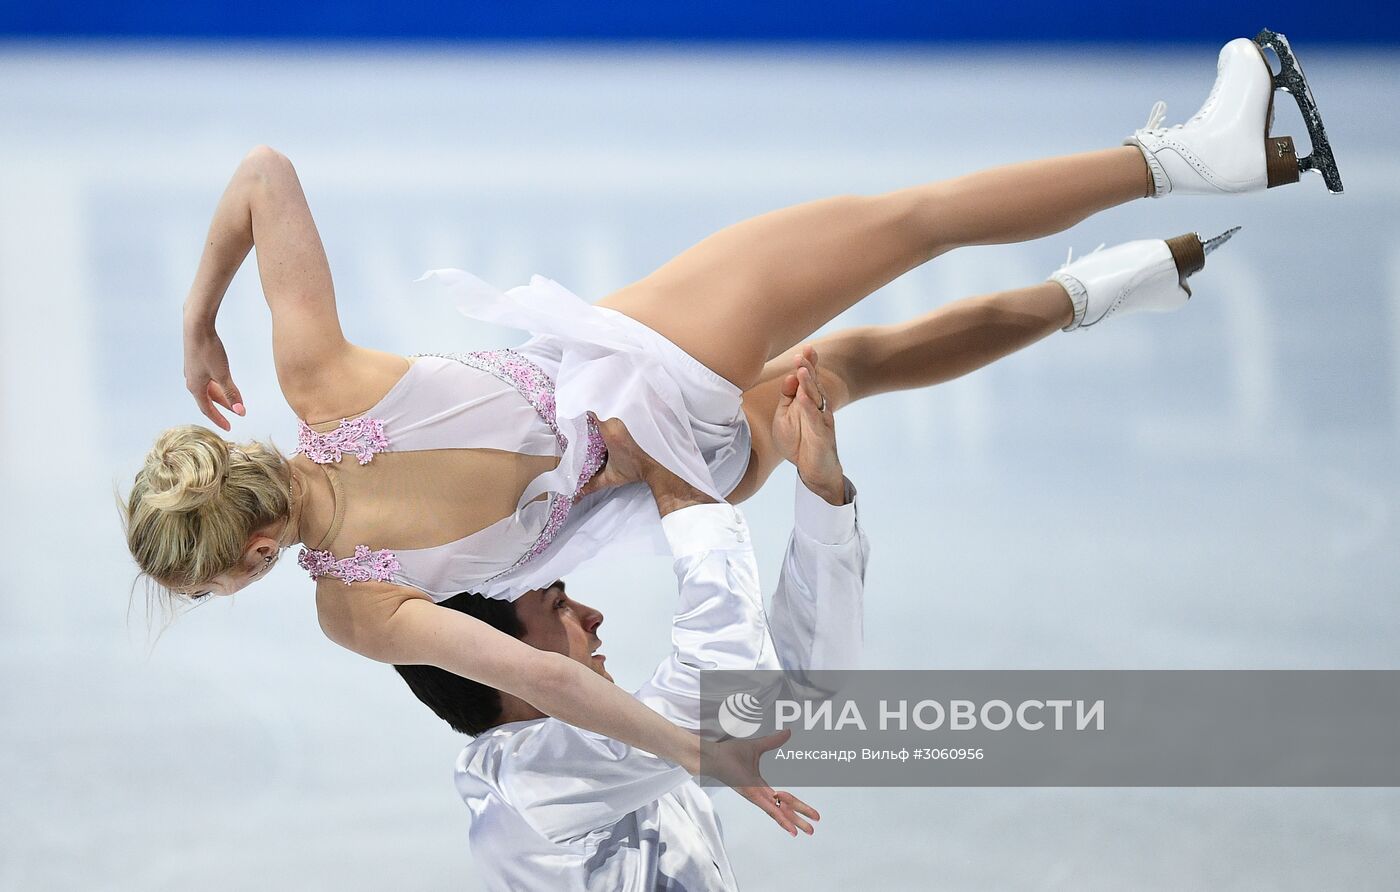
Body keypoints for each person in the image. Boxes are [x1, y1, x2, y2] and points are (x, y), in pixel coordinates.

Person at [119, 33, 1337, 824]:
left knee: (849, 366)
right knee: (905, 222)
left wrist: (696, 753)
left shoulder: (351, 608)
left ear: (243, 561)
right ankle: (1191, 158)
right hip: (647, 362)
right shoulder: (317, 380)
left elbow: (538, 676)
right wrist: (199, 320)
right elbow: (263, 173)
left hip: (680, 476)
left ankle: (1118, 284)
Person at [396, 371, 866, 891]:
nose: (591, 614)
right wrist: (672, 481)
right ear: (497, 658)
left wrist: (822, 491)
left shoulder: (587, 766)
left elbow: (781, 696)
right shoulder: (525, 780)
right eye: (558, 605)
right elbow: (721, 690)